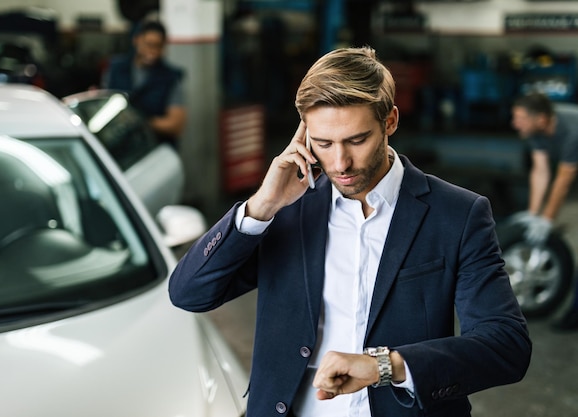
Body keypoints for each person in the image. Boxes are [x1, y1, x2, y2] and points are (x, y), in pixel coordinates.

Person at [169, 47, 531, 417]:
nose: (340, 163)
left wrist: (386, 366)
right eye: (324, 144)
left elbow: (505, 345)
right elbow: (189, 293)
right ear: (305, 136)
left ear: (389, 121)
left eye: (357, 140)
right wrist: (261, 206)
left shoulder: (457, 214)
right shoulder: (286, 210)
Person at [511, 92, 578, 330]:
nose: (514, 123)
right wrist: (533, 213)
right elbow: (541, 171)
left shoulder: (572, 130)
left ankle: (576, 313)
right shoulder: (537, 131)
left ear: (540, 119)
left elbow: (563, 179)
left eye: (519, 118)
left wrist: (547, 220)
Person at [103, 19, 186, 148]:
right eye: (148, 44)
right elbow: (104, 103)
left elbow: (175, 124)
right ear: (136, 40)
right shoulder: (116, 69)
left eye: (158, 46)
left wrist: (140, 121)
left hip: (155, 147)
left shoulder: (170, 78)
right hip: (119, 145)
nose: (152, 51)